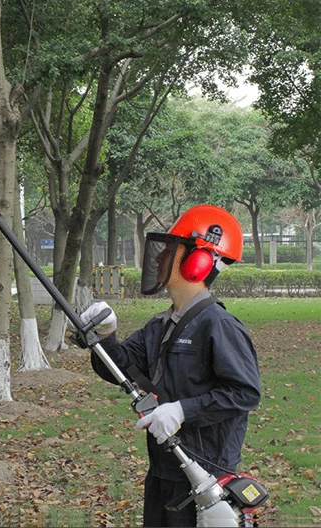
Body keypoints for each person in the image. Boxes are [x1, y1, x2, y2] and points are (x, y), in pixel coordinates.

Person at [79, 204, 261, 527]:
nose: (160, 257)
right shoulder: (160, 326)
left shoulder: (219, 326)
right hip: (162, 474)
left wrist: (181, 410)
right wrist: (104, 336)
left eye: (171, 250)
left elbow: (245, 393)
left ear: (198, 261)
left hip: (202, 480)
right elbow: (117, 367)